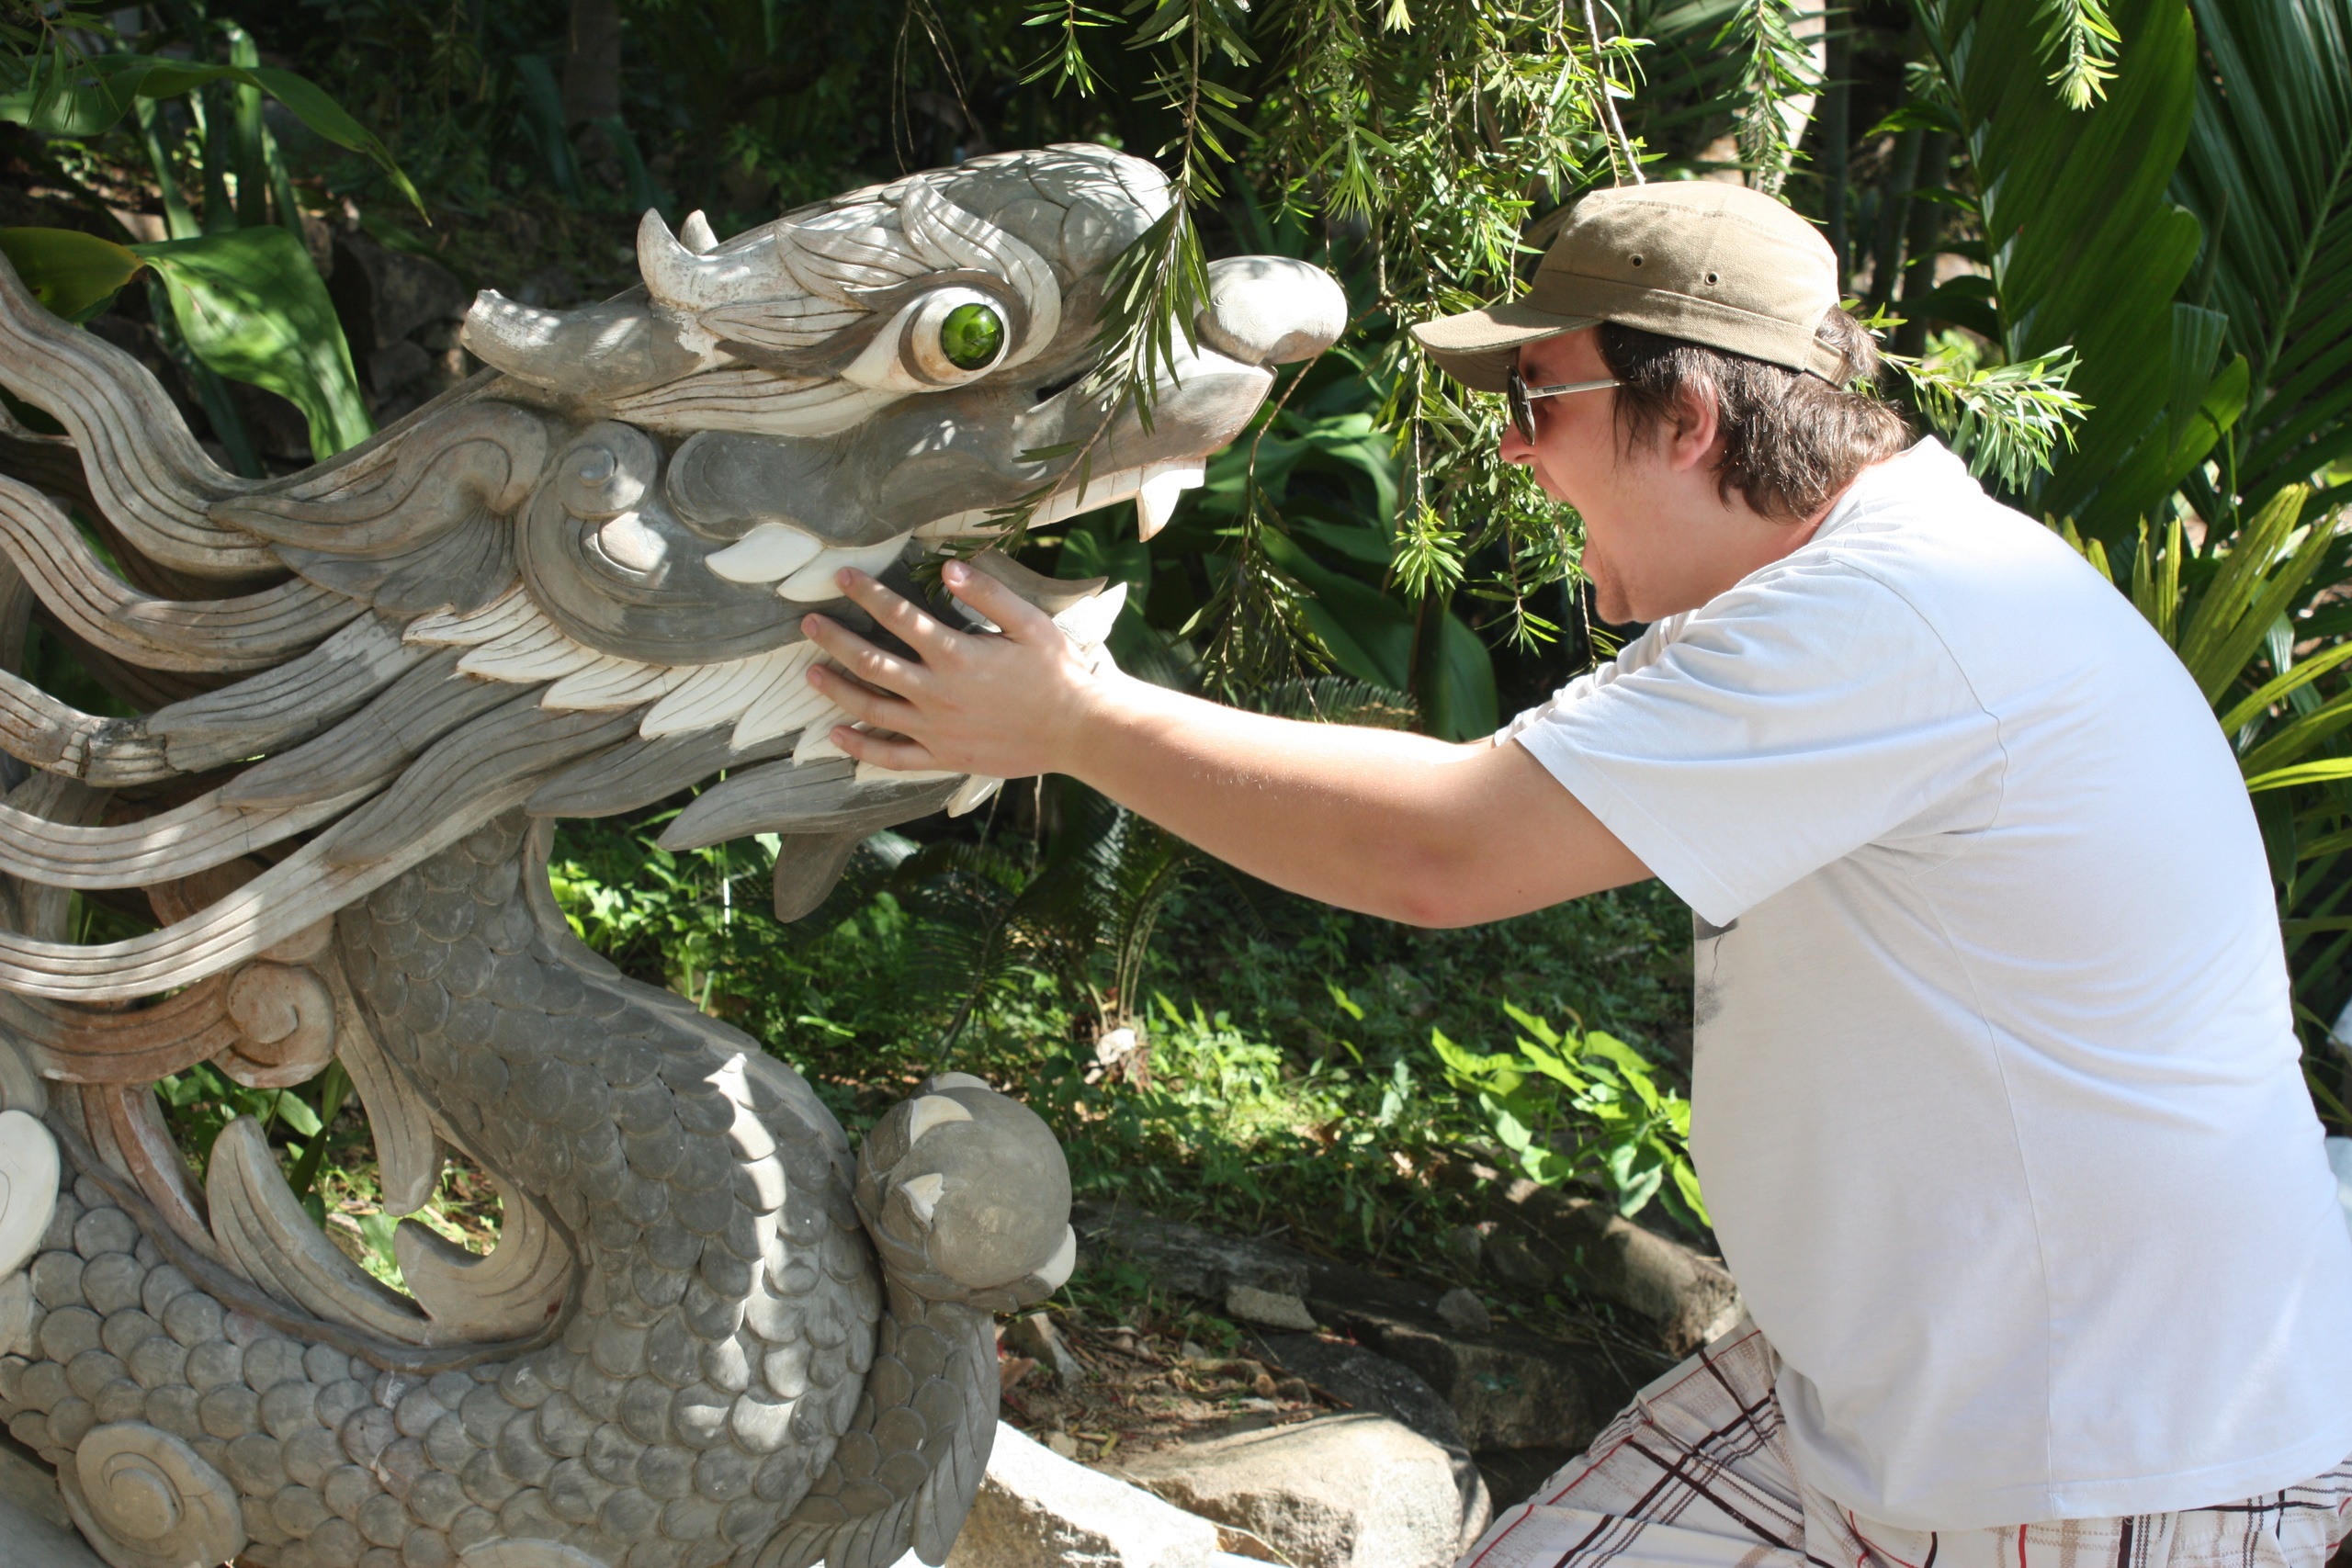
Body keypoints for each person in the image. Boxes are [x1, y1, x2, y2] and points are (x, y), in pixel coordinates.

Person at [795, 180, 2352, 1568]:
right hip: (1872, 1400)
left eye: (1539, 400)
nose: (1514, 451)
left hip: (2113, 1451)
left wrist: (1076, 722)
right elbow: (1476, 803)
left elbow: (1445, 848)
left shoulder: (1898, 615)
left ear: (1690, 417)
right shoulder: (1815, 598)